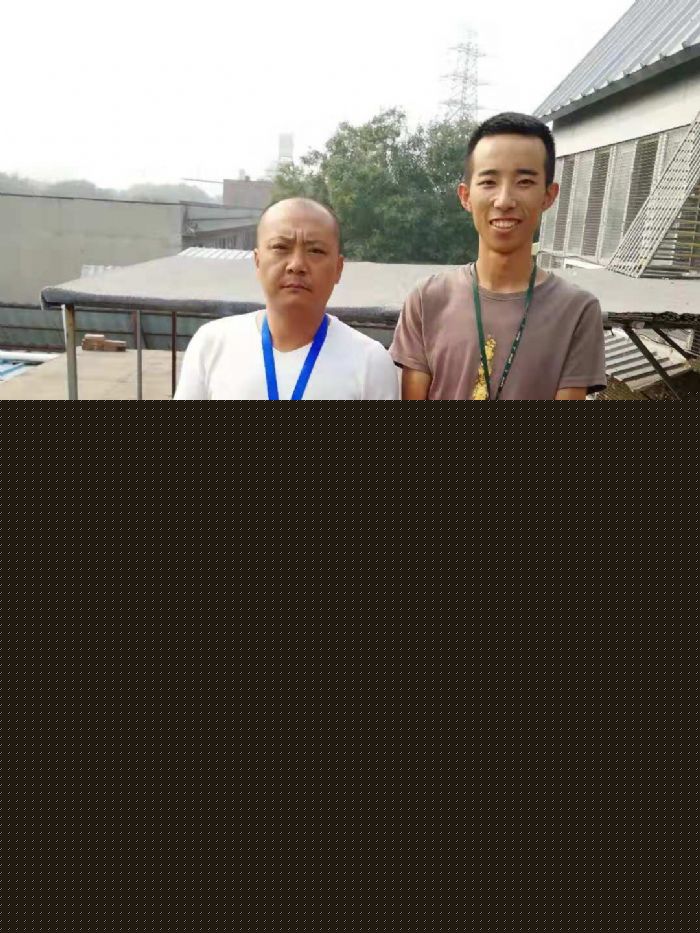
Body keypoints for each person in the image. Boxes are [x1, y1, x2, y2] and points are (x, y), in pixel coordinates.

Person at [390, 113, 607, 400]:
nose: (504, 200)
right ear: (466, 196)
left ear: (548, 195)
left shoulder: (577, 311)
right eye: (489, 182)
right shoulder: (427, 299)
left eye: (524, 182)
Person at [174, 198, 398, 400]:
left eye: (315, 251)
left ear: (338, 269)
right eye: (281, 247)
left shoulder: (370, 362)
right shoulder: (212, 344)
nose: (297, 265)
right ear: (257, 261)